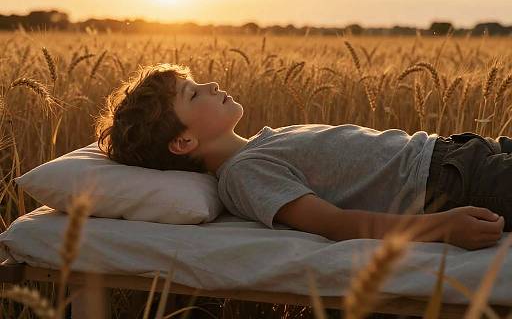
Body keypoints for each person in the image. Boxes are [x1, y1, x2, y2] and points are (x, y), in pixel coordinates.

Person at [95, 63, 511, 251]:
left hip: (463, 150)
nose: (211, 82)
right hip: (451, 184)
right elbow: (336, 224)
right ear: (182, 143)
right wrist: (442, 227)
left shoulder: (261, 143)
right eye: (193, 93)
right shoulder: (244, 173)